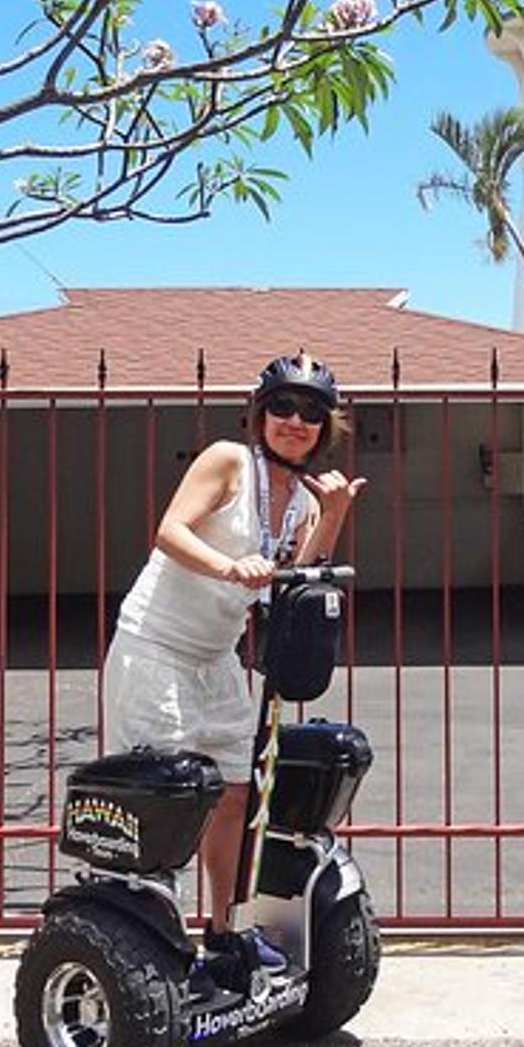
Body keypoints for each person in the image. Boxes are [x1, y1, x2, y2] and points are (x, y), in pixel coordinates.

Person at [99, 352, 366, 971]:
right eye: (282, 407)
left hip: (216, 657)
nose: (294, 421)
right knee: (166, 795)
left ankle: (222, 930)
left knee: (236, 794)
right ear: (260, 413)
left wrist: (331, 516)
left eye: (310, 413)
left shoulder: (302, 496)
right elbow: (171, 530)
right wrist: (229, 567)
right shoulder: (227, 462)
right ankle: (154, 937)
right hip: (156, 644)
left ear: (325, 427)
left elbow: (295, 578)